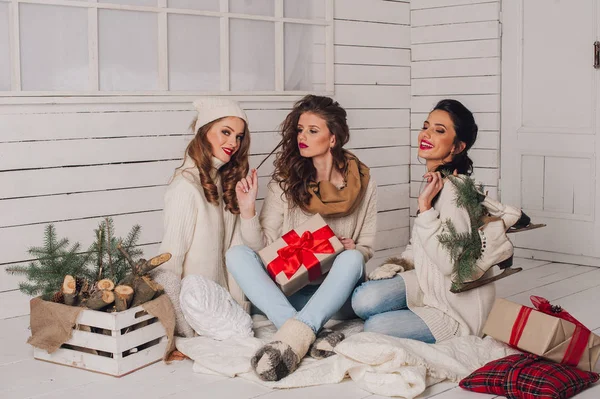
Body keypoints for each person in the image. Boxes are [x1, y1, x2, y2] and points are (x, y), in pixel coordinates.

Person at [226, 95, 377, 381]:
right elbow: (263, 248)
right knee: (236, 254)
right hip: (289, 290)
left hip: (335, 295)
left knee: (353, 258)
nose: (302, 137)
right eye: (299, 130)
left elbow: (367, 247)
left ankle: (293, 333)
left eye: (312, 130)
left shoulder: (364, 183)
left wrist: (350, 248)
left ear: (333, 139)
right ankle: (301, 330)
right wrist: (248, 210)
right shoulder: (285, 181)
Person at [351, 99, 495, 344]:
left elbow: (452, 266)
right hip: (429, 285)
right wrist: (397, 265)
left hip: (455, 310)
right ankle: (411, 310)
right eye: (426, 126)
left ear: (458, 147)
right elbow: (419, 244)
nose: (426, 134)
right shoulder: (436, 182)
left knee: (375, 326)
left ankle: (417, 316)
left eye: (439, 131)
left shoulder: (456, 192)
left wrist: (426, 209)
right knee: (363, 300)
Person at [152, 97, 259, 337]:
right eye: (226, 132)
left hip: (225, 309)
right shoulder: (185, 187)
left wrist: (241, 311)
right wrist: (183, 330)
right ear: (204, 131)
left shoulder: (226, 183)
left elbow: (240, 254)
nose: (233, 142)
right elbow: (168, 266)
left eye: (239, 136)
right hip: (195, 313)